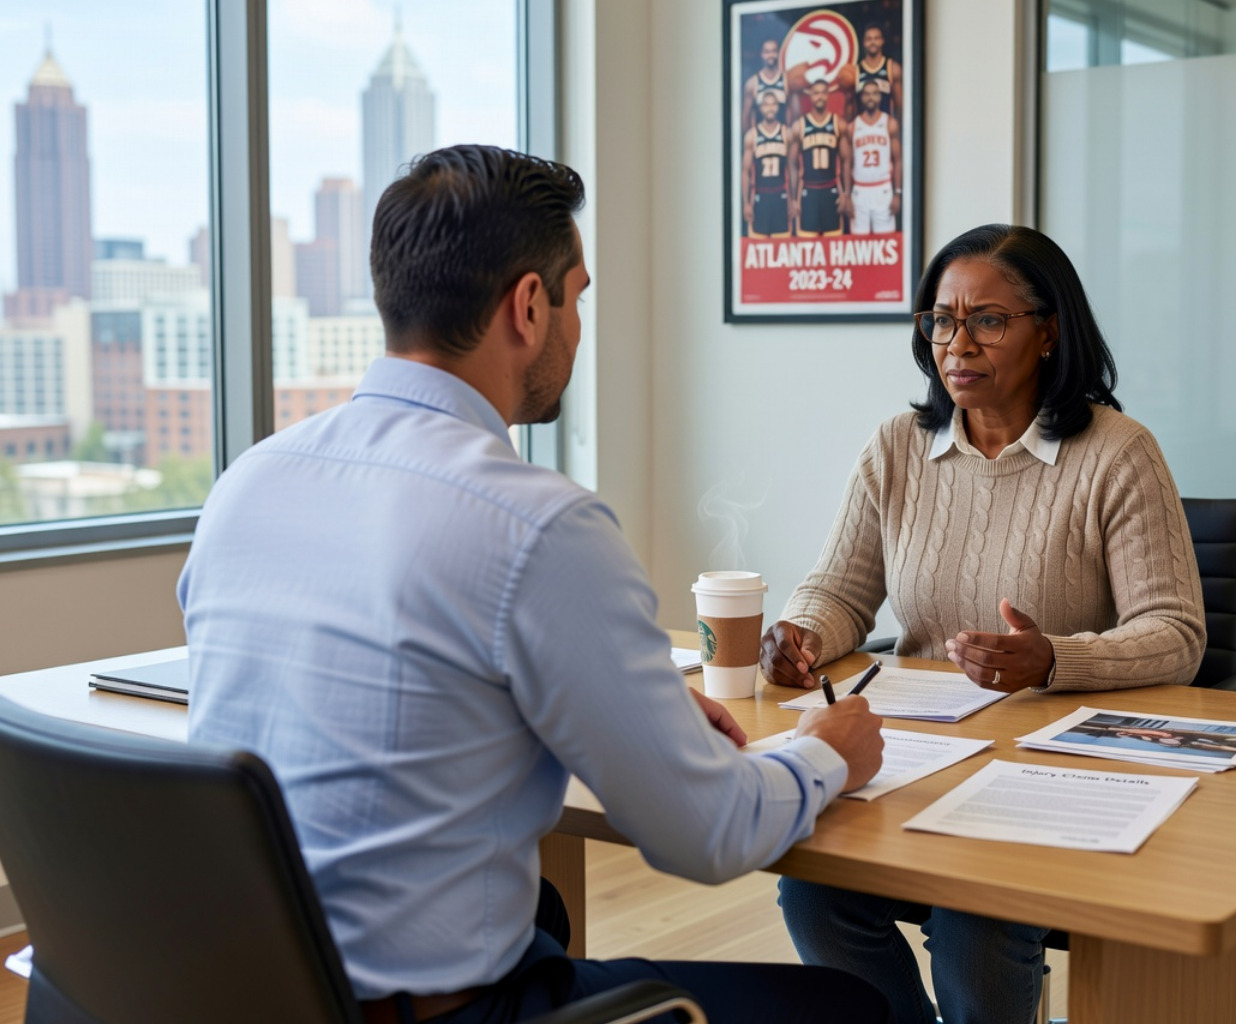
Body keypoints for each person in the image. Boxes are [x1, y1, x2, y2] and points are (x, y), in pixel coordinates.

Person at [181, 145, 891, 1024]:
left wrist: (633, 718)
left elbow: (414, 707)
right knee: (857, 1009)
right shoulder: (538, 525)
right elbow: (707, 836)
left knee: (546, 917)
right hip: (428, 1012)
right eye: (578, 296)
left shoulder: (249, 482)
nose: (579, 326)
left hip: (240, 989)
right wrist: (826, 750)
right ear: (528, 305)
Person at [759, 224, 1206, 1024]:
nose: (956, 344)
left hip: (1052, 766)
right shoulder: (897, 447)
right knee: (813, 888)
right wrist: (802, 634)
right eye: (940, 320)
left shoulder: (1117, 453)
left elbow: (1175, 631)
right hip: (918, 753)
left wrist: (1052, 661)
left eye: (987, 321)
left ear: (1049, 331)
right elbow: (839, 589)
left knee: (975, 916)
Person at [788, 80, 850, 236]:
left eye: (823, 92)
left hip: (831, 190)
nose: (820, 96)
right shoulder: (799, 126)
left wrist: (846, 194)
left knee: (834, 244)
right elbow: (792, 164)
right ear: (810, 96)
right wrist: (793, 198)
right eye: (816, 93)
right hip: (808, 191)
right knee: (807, 244)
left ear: (828, 95)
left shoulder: (838, 124)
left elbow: (846, 162)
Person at [849, 78, 901, 235]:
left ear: (880, 96)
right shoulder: (853, 126)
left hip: (882, 189)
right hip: (860, 189)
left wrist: (898, 193)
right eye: (867, 94)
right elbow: (847, 164)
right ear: (861, 97)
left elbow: (898, 161)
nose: (870, 97)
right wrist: (847, 194)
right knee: (858, 246)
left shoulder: (890, 123)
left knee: (886, 242)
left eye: (874, 94)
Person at [743, 92, 790, 238]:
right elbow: (745, 171)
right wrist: (745, 203)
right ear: (760, 108)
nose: (770, 108)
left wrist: (793, 200)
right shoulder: (752, 135)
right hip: (760, 197)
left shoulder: (786, 133)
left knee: (782, 246)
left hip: (780, 196)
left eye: (773, 104)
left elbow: (793, 168)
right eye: (766, 104)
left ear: (778, 107)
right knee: (758, 246)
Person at [854, 24, 903, 122]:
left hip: (885, 128)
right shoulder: (855, 71)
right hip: (862, 130)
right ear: (863, 42)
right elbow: (851, 107)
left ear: (882, 41)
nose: (873, 42)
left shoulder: (892, 68)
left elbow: (899, 105)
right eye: (869, 39)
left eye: (876, 38)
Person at [742, 36, 787, 131]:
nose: (770, 55)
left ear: (778, 53)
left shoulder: (786, 81)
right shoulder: (752, 83)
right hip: (759, 143)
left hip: (782, 142)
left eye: (773, 51)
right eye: (767, 52)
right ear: (761, 54)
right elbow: (746, 116)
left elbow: (792, 114)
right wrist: (749, 139)